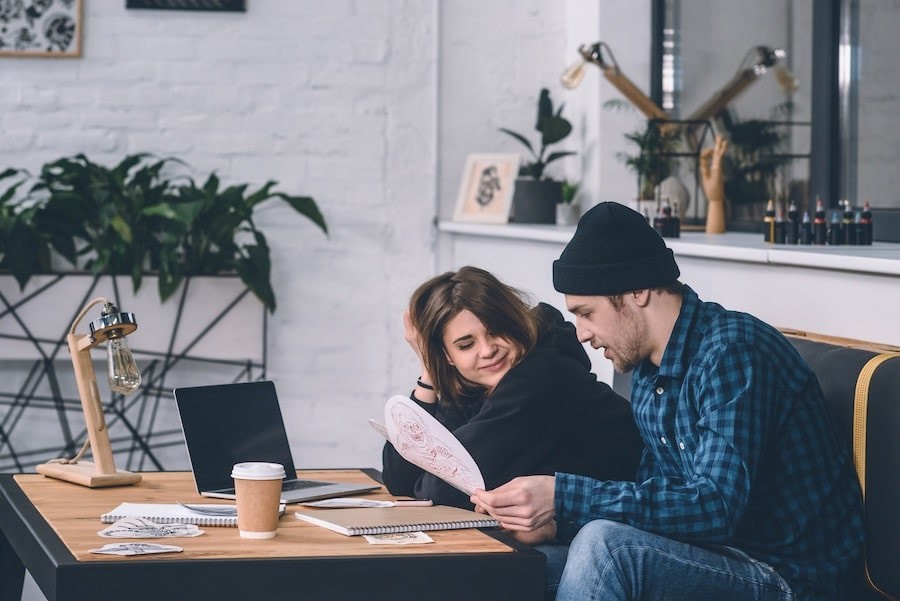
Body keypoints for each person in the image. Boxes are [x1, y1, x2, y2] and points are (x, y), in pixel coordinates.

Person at [471, 202, 865, 601]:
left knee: (605, 548)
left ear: (637, 291)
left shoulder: (732, 353)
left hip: (789, 576)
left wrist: (562, 495)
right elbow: (659, 500)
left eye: (587, 313)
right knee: (515, 561)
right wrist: (559, 525)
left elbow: (715, 508)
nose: (581, 334)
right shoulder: (647, 373)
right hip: (719, 557)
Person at [381, 265, 643, 512]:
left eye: (496, 331)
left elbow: (439, 493)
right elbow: (400, 480)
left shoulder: (541, 377)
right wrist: (429, 374)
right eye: (466, 345)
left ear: (514, 322)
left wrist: (427, 480)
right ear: (446, 356)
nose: (488, 350)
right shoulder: (474, 389)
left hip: (629, 527)